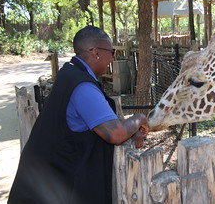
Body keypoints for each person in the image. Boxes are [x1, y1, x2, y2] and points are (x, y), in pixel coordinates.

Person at [8, 26, 149, 204]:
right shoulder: (83, 86)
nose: (112, 57)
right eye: (111, 52)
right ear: (96, 52)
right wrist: (140, 119)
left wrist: (130, 128)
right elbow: (116, 133)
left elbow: (101, 119)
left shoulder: (70, 72)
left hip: (41, 184)